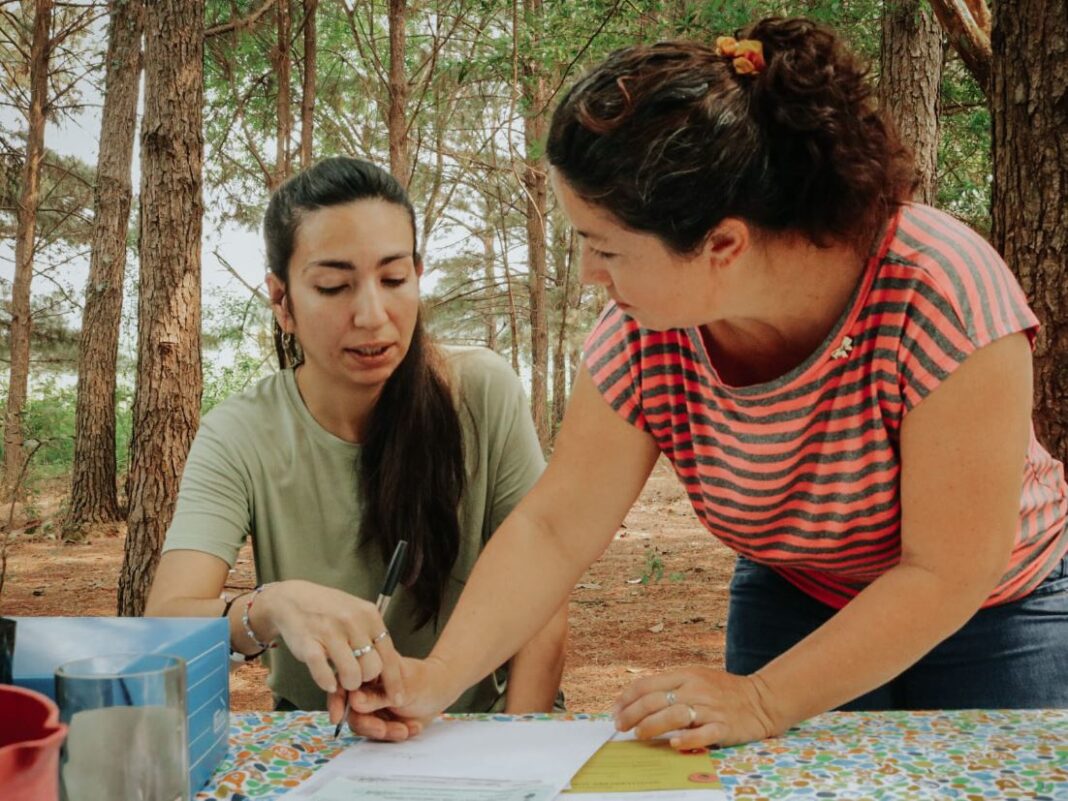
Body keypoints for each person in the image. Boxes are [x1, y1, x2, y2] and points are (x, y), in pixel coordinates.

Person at [345, 17, 1068, 747]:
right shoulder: (643, 330)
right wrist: (436, 677)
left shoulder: (943, 292)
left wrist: (760, 700)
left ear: (722, 244)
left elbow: (946, 571)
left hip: (1001, 606)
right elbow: (554, 528)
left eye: (606, 249)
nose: (591, 276)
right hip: (799, 587)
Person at [145, 157, 568, 734]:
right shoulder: (241, 431)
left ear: (419, 274)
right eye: (333, 286)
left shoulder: (482, 393)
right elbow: (168, 620)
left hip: (478, 729)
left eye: (394, 280)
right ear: (281, 299)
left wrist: (518, 749)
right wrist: (269, 606)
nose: (372, 316)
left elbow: (541, 593)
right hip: (326, 738)